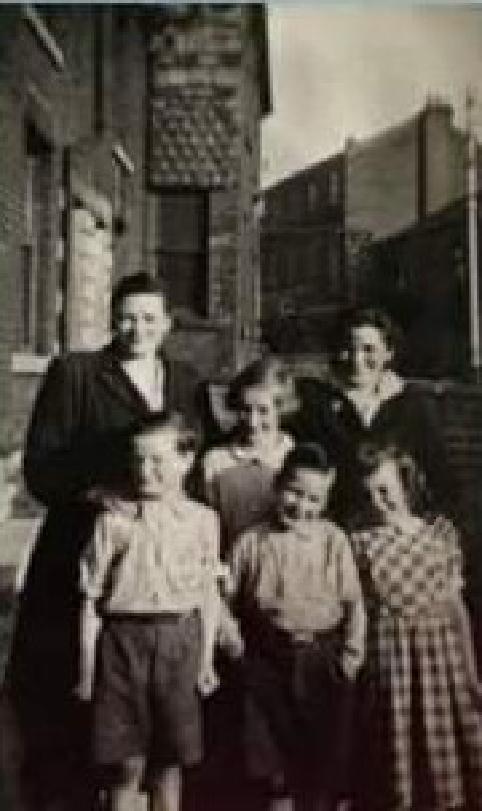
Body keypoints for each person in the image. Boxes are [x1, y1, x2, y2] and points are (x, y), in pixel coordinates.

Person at [6, 272, 200, 810]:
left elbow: (196, 461)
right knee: (74, 684)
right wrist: (99, 490)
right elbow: (42, 469)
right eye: (126, 316)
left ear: (167, 324)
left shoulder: (184, 379)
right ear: (113, 318)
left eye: (149, 318)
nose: (136, 328)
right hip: (83, 547)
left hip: (158, 557)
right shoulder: (77, 374)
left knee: (153, 701)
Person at [77, 413, 228, 811]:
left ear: (186, 460)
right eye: (138, 460)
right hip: (123, 645)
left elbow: (208, 595)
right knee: (125, 765)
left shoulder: (203, 521)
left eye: (157, 461)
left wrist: (206, 658)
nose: (145, 471)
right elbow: (91, 599)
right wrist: (87, 667)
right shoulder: (113, 521)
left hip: (180, 643)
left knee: (169, 763)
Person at [229, 443, 366, 811]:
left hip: (323, 658)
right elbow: (222, 601)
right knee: (274, 766)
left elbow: (354, 602)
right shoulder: (251, 541)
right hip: (267, 660)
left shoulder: (333, 540)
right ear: (277, 486)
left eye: (314, 499)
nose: (301, 506)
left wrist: (352, 655)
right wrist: (237, 648)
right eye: (294, 493)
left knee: (326, 762)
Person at [351, 443, 482, 810]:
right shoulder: (360, 541)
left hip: (443, 666)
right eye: (369, 494)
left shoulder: (440, 535)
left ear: (406, 485)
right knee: (396, 753)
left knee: (447, 758)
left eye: (385, 491)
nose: (378, 502)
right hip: (391, 665)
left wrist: (471, 675)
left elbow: (456, 608)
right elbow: (357, 610)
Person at [291, 306, 455, 527]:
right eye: (348, 348)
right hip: (335, 526)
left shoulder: (414, 406)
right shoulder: (316, 404)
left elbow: (439, 477)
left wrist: (424, 523)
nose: (357, 359)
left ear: (388, 353)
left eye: (369, 349)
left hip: (397, 527)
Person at [201, 356, 297, 557]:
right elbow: (207, 524)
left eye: (263, 411)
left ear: (281, 409)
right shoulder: (216, 460)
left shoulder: (294, 456)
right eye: (245, 410)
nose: (253, 422)